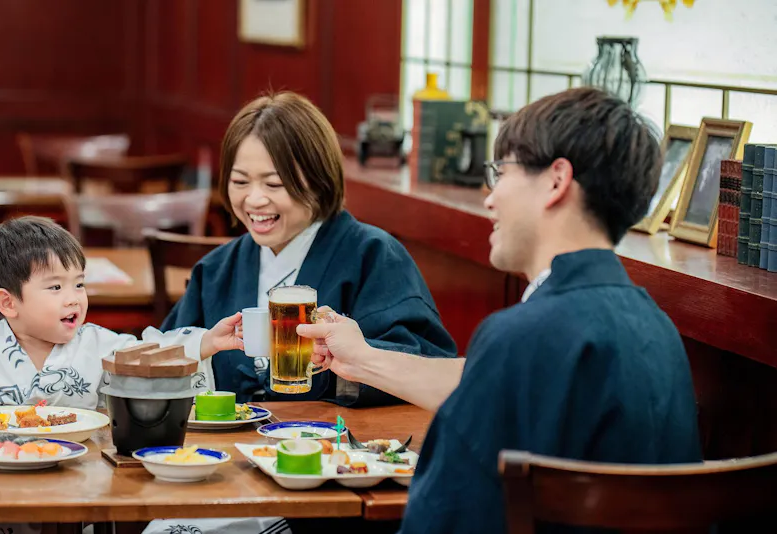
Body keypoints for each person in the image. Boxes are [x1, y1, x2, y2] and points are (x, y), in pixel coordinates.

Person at [296, 87, 703, 533]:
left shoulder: (520, 335)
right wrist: (361, 359)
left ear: (555, 180)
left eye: (501, 172)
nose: (489, 197)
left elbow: (441, 515)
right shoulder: (658, 328)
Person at [160, 90, 457, 406]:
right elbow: (165, 359)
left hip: (336, 449)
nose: (254, 199)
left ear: (318, 180)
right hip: (227, 450)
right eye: (240, 181)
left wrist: (348, 362)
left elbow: (429, 368)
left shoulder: (375, 256)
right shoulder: (217, 269)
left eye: (274, 184)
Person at [0, 216, 242, 411]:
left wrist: (207, 342)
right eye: (55, 288)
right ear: (8, 303)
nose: (73, 299)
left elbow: (149, 354)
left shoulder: (98, 344)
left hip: (77, 480)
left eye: (79, 284)